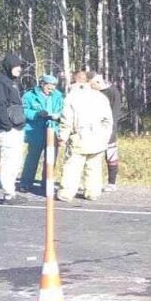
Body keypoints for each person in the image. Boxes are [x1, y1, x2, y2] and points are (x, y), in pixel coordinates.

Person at [56, 70, 114, 202]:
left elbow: (67, 119)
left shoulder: (72, 97)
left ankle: (67, 192)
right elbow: (108, 120)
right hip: (98, 137)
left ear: (75, 81)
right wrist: (105, 136)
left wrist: (62, 137)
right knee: (94, 166)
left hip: (79, 136)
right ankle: (92, 192)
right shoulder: (100, 97)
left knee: (72, 165)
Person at [0, 53, 27, 203]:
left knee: (16, 161)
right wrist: (6, 125)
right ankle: (8, 194)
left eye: (20, 66)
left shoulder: (11, 82)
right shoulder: (0, 82)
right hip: (8, 129)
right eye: (16, 66)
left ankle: (12, 190)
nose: (19, 69)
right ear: (9, 66)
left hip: (16, 127)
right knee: (8, 161)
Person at [20, 74, 65, 192]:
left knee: (50, 159)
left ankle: (46, 183)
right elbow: (23, 111)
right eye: (49, 86)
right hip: (35, 131)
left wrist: (58, 117)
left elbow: (63, 111)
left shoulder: (59, 96)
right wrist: (36, 114)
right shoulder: (29, 96)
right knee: (32, 158)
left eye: (53, 86)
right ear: (42, 84)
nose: (51, 89)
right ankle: (25, 183)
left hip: (52, 130)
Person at [89, 74, 121, 191]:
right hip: (93, 129)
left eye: (92, 85)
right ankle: (93, 182)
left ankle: (112, 183)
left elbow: (115, 112)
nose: (91, 87)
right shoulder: (92, 93)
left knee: (111, 155)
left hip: (109, 128)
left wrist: (110, 128)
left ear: (98, 83)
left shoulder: (113, 92)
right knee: (93, 156)